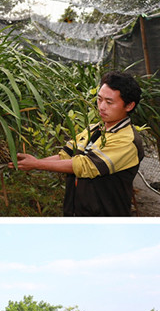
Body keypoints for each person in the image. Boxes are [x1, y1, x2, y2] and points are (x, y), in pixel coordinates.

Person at [15, 71, 143, 217]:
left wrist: (36, 164)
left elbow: (86, 165)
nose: (101, 107)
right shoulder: (95, 129)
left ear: (129, 106)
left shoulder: (127, 140)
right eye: (99, 99)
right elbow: (65, 156)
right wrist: (31, 162)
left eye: (109, 102)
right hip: (77, 213)